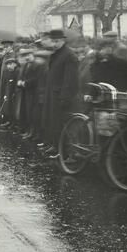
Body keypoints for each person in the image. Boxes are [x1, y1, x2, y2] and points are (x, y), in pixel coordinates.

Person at [43, 29, 80, 158]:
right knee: (54, 122)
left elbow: (70, 80)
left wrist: (65, 97)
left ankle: (66, 153)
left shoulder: (69, 55)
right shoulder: (56, 54)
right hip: (53, 94)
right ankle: (56, 146)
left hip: (62, 96)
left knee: (64, 124)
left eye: (56, 41)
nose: (54, 44)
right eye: (52, 41)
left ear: (63, 40)